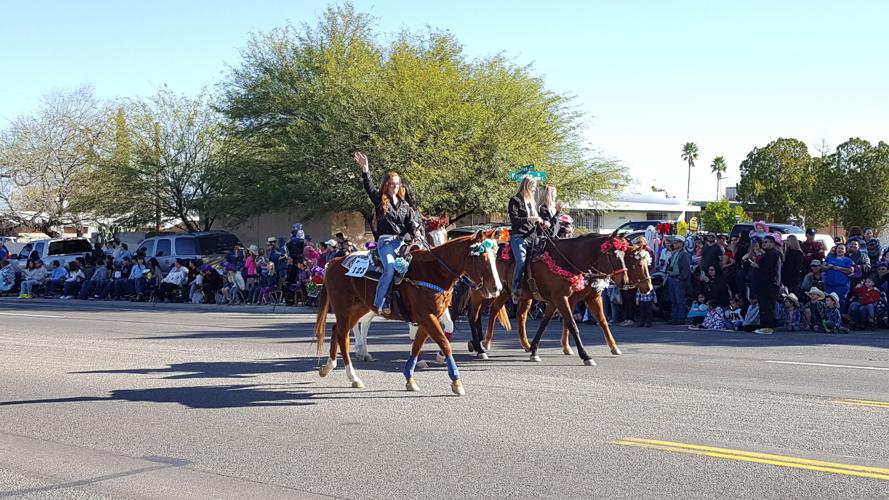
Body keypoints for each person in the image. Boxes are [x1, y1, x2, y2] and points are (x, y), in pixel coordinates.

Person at [354, 152, 418, 315]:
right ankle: (380, 301)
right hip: (386, 244)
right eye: (391, 184)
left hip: (403, 244)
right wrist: (365, 169)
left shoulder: (405, 206)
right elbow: (369, 188)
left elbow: (411, 226)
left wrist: (410, 236)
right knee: (390, 268)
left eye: (397, 184)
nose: (394, 187)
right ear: (386, 185)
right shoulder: (380, 200)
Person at [750, 234, 782, 335]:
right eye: (763, 242)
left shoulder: (772, 254)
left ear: (772, 243)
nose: (764, 244)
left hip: (769, 284)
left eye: (766, 242)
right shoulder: (767, 254)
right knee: (763, 306)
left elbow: (767, 268)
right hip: (765, 284)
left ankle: (768, 327)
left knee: (767, 306)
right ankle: (763, 326)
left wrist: (756, 265)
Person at [666, 236, 691, 324]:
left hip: (678, 279)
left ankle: (680, 318)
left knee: (680, 300)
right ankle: (674, 317)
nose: (674, 244)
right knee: (674, 300)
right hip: (672, 278)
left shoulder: (684, 254)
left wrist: (681, 278)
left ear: (681, 243)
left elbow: (686, 269)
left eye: (676, 242)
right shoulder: (674, 253)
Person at [822, 242, 853, 313]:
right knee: (828, 302)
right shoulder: (829, 258)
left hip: (842, 286)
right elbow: (823, 267)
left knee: (840, 302)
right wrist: (828, 267)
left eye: (842, 249)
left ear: (845, 251)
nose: (840, 250)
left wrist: (839, 268)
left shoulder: (848, 260)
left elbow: (850, 271)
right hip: (829, 285)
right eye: (839, 248)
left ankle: (839, 319)